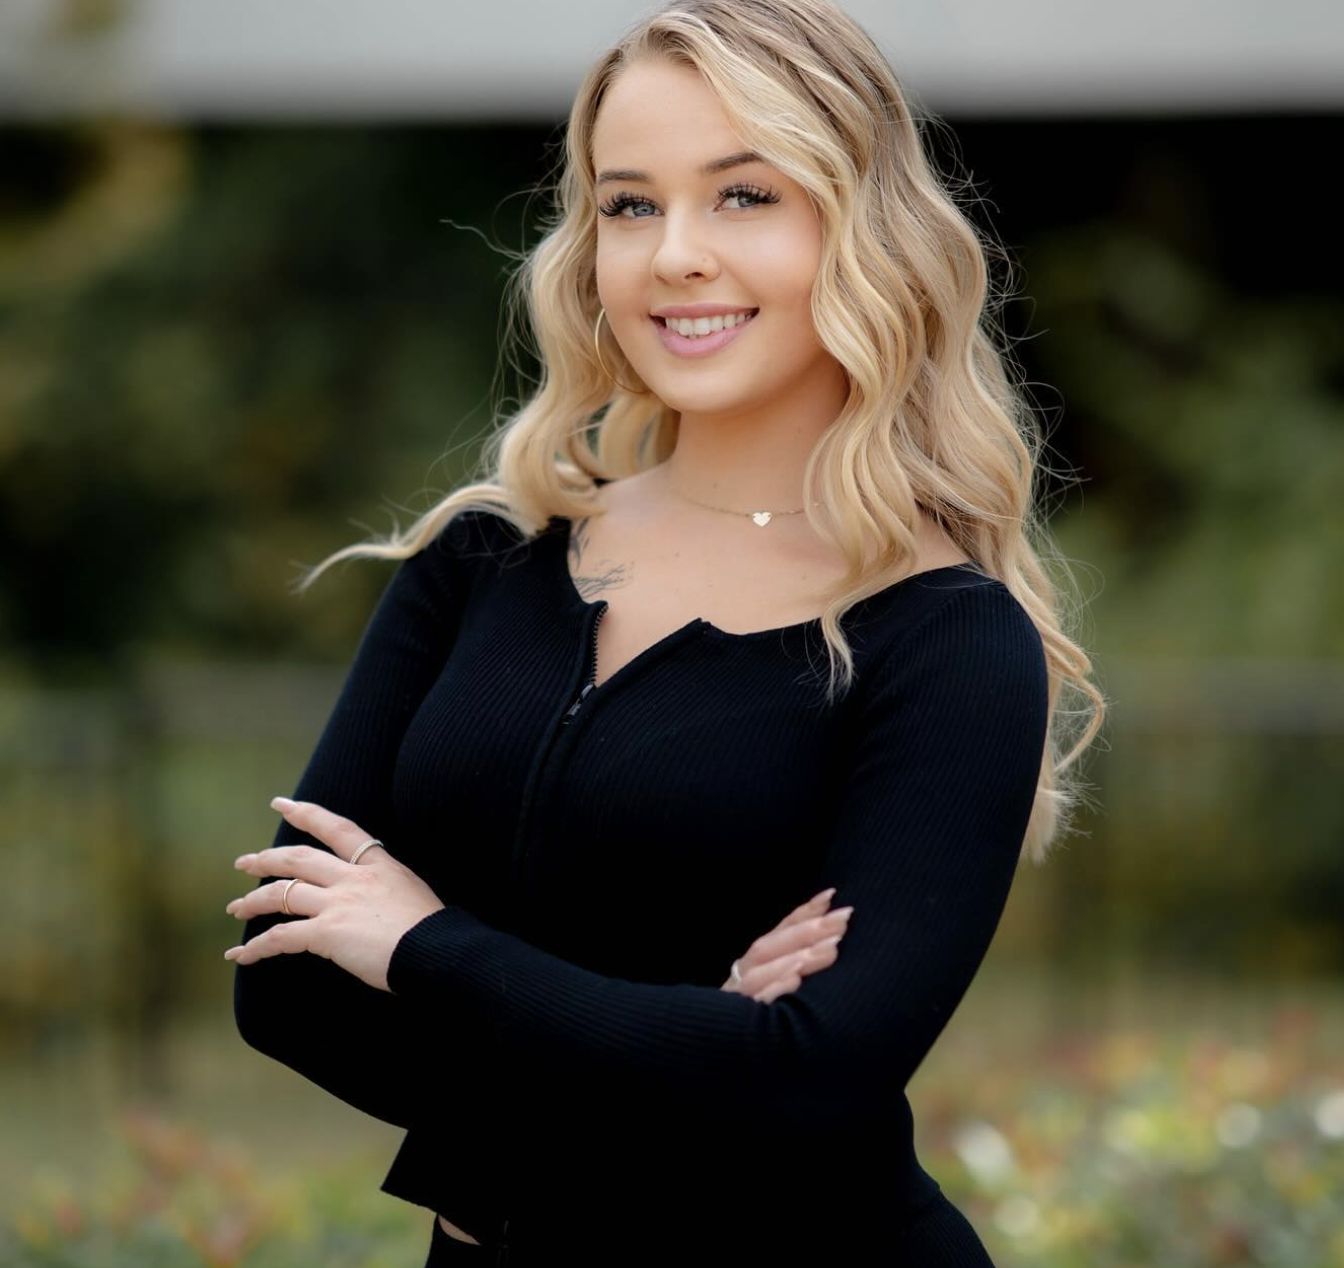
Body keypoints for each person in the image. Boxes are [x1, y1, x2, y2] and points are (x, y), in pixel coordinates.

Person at [226, 1, 1105, 1263]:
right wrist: (697, 1038)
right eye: (629, 204)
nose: (673, 255)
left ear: (859, 228)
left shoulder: (944, 638)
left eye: (743, 194)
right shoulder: (480, 562)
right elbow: (291, 986)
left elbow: (811, 1079)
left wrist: (422, 946)